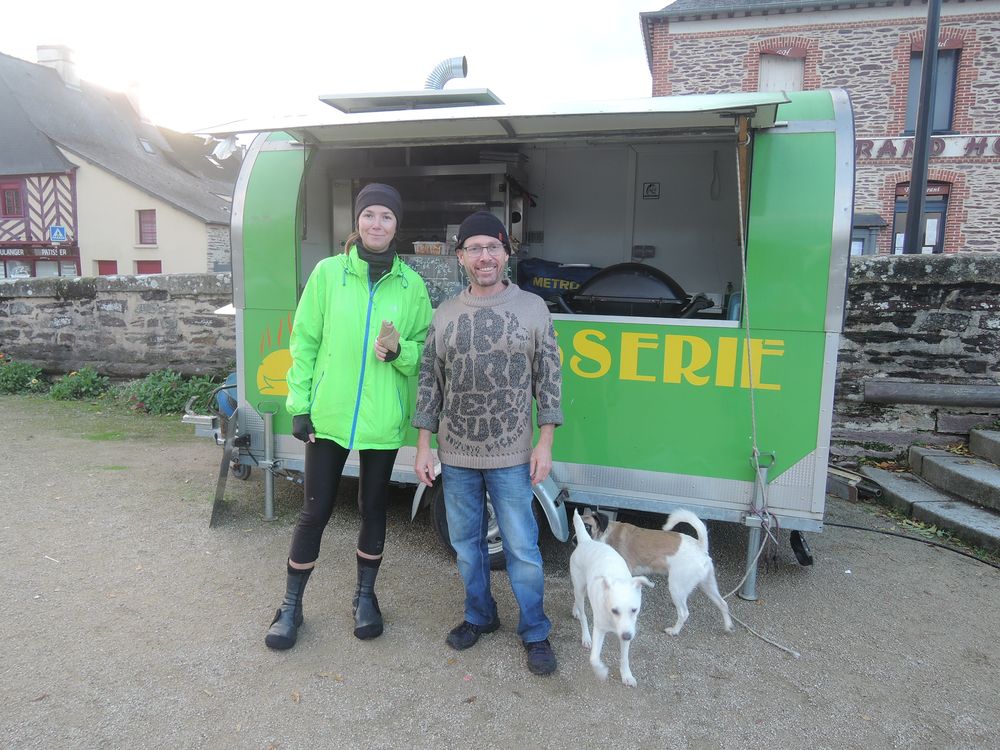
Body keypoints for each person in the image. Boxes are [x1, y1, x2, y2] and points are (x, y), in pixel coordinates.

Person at [265, 183, 432, 649]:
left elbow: (422, 351)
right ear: (356, 221)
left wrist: (400, 351)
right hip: (329, 416)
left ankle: (364, 598)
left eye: (387, 217)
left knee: (372, 508)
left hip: (382, 421)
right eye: (369, 215)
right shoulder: (327, 274)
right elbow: (304, 342)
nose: (376, 224)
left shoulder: (411, 285)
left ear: (398, 225)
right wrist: (299, 406)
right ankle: (290, 607)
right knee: (314, 511)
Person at [412, 210, 563, 676]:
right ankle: (480, 614)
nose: (484, 257)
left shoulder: (533, 309)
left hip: (513, 455)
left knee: (521, 546)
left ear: (506, 252)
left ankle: (535, 630)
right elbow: (429, 381)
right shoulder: (446, 313)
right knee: (467, 544)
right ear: (461, 258)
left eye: (492, 247)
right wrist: (424, 444)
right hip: (456, 454)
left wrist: (545, 442)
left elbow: (550, 377)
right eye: (474, 248)